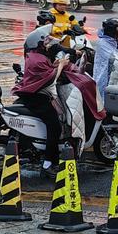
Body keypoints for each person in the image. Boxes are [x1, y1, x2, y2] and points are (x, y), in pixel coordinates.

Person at [12, 26, 71, 174]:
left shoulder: (34, 56)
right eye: (44, 43)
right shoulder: (37, 60)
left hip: (34, 95)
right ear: (38, 44)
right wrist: (61, 65)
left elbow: (48, 70)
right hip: (37, 97)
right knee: (55, 127)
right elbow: (51, 78)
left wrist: (56, 64)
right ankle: (48, 163)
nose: (47, 45)